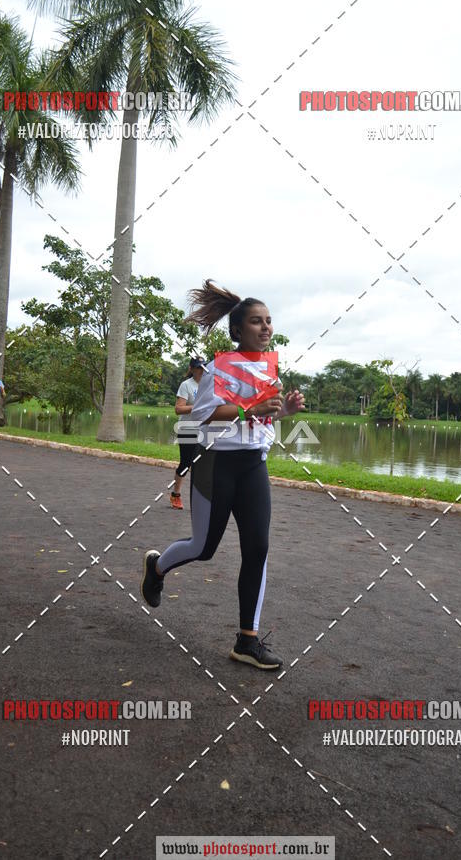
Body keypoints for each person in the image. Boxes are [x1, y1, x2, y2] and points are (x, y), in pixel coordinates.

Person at [141, 280, 305, 670]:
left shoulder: (270, 371)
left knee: (258, 549)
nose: (265, 327)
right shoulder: (219, 369)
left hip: (253, 466)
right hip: (216, 464)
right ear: (237, 330)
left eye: (268, 321)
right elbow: (200, 415)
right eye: (255, 321)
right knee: (204, 547)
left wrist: (285, 412)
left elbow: (265, 415)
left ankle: (247, 640)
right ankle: (157, 567)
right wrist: (252, 408)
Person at [170, 356, 206, 509]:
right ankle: (175, 494)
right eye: (198, 367)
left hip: (204, 431)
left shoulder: (209, 385)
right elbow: (178, 409)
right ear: (191, 369)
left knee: (202, 466)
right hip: (187, 430)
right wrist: (198, 406)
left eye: (203, 367)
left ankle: (199, 499)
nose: (201, 370)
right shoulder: (186, 385)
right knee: (186, 464)